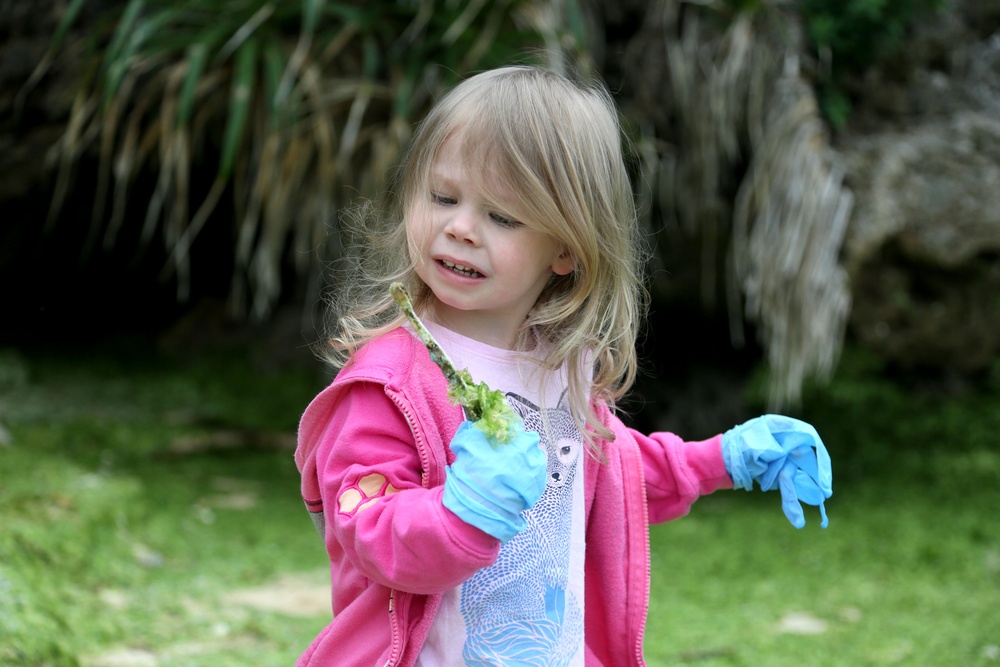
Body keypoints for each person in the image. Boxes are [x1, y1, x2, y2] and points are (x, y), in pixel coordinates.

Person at [294, 65, 832, 667]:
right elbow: (365, 533)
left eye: (502, 216)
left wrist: (724, 458)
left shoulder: (560, 369)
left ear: (566, 249)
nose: (460, 227)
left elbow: (612, 476)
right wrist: (460, 514)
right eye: (442, 197)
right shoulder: (392, 381)